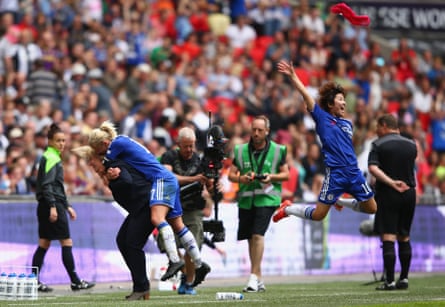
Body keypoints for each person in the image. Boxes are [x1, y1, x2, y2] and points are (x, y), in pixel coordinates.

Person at [88, 121, 210, 285]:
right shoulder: (125, 141)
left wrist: (110, 170)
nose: (100, 154)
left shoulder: (116, 144)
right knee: (178, 225)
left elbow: (104, 164)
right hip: (169, 180)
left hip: (160, 180)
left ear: (104, 143)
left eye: (99, 150)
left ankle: (174, 260)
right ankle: (200, 264)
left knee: (157, 219)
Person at [273, 60, 377, 223]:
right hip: (336, 174)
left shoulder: (348, 123)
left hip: (354, 173)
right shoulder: (322, 118)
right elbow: (306, 95)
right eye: (340, 99)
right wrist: (294, 76)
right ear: (330, 104)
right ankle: (287, 208)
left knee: (372, 208)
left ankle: (339, 200)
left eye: (344, 99)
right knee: (318, 215)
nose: (344, 103)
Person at [72, 145, 154, 300]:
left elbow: (127, 181)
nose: (91, 165)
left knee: (132, 244)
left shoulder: (113, 166)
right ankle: (142, 285)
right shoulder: (108, 171)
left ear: (100, 158)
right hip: (138, 209)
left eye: (92, 161)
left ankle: (142, 287)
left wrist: (115, 178)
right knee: (122, 241)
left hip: (146, 205)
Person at [228, 115, 289, 293]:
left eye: (260, 130)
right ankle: (259, 278)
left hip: (268, 198)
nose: (256, 133)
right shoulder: (240, 150)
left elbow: (286, 174)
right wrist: (241, 178)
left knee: (257, 235)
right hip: (247, 199)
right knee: (250, 239)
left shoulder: (278, 150)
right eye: (254, 129)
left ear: (267, 131)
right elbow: (231, 175)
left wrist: (272, 177)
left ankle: (253, 276)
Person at [31, 124, 95, 292]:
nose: (62, 144)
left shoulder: (48, 156)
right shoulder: (52, 157)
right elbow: (48, 185)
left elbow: (54, 186)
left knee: (44, 243)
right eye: (58, 141)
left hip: (47, 205)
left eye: (63, 141)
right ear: (50, 141)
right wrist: (54, 206)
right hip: (51, 205)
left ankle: (33, 281)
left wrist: (67, 206)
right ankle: (75, 281)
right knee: (66, 241)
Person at [159, 126, 213, 295]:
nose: (189, 150)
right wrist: (194, 179)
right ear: (178, 144)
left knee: (193, 248)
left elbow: (209, 185)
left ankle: (188, 282)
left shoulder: (201, 160)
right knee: (168, 247)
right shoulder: (168, 156)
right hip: (172, 208)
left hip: (194, 208)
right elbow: (168, 177)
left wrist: (212, 185)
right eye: (186, 146)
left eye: (192, 146)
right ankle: (183, 273)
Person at [368, 114, 417, 291]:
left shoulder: (378, 144)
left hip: (389, 193)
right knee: (404, 235)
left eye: (377, 127)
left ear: (383, 125)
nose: (375, 130)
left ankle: (389, 281)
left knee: (388, 236)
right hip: (410, 193)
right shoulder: (412, 144)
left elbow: (373, 168)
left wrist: (390, 182)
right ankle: (404, 278)